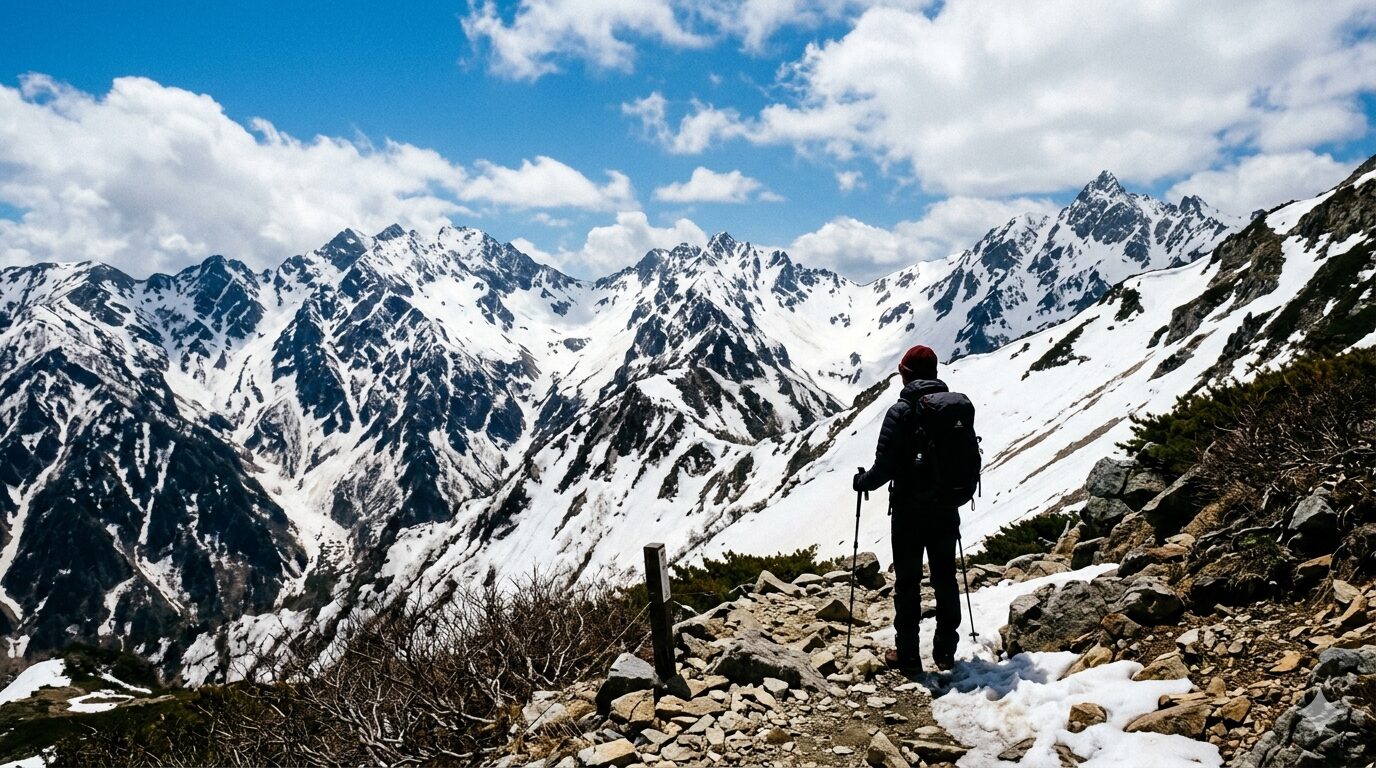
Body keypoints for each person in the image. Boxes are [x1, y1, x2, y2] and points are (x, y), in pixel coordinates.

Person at [852, 344, 961, 673]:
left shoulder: (900, 413)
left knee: (908, 584)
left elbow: (883, 468)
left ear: (906, 375)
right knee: (945, 578)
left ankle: (908, 655)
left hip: (909, 513)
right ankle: (945, 650)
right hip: (945, 508)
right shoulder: (952, 410)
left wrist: (862, 482)